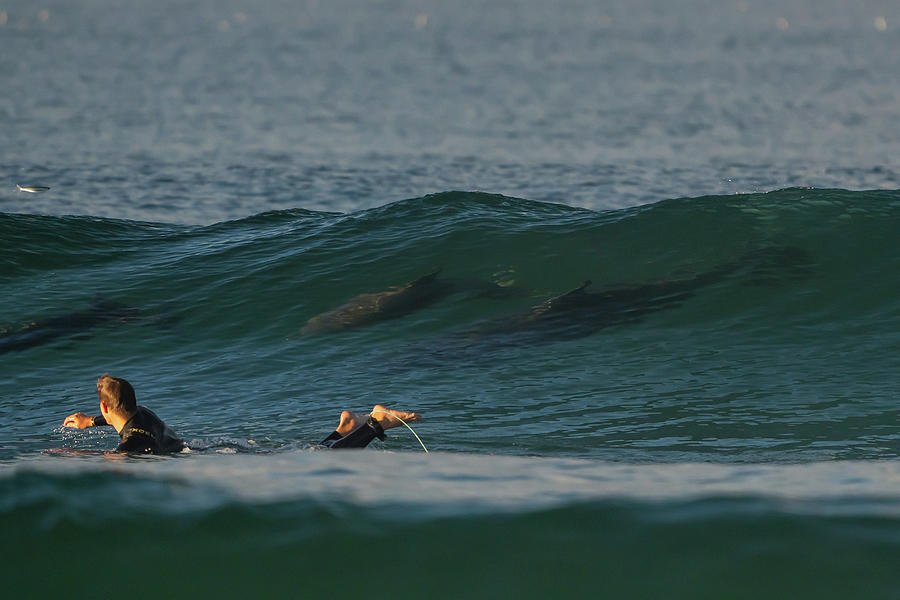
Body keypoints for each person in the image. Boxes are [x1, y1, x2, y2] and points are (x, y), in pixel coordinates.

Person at [63, 374, 421, 454]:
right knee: (313, 456)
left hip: (218, 456)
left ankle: (375, 422)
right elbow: (123, 419)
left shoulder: (135, 435)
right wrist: (90, 423)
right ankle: (346, 427)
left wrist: (81, 455)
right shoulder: (139, 411)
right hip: (214, 447)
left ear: (105, 406)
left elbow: (131, 448)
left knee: (313, 460)